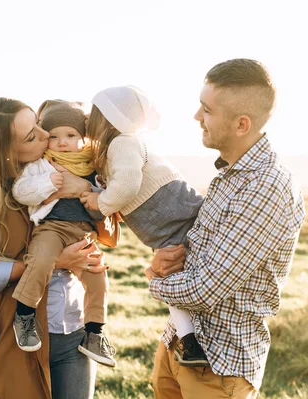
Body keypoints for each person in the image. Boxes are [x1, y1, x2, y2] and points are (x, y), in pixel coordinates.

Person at [144, 59, 306, 398]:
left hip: (220, 367)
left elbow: (205, 290)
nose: (196, 117)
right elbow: (199, 262)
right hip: (179, 347)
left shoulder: (266, 188)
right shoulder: (228, 177)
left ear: (241, 124)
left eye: (206, 110)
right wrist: (168, 261)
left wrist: (156, 282)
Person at [0, 97, 117, 399]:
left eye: (37, 123)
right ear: (6, 151)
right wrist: (54, 262)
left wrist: (85, 189)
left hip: (73, 328)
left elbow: (108, 231)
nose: (46, 135)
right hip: (17, 338)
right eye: (32, 135)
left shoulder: (68, 166)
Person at [79, 85, 207, 367]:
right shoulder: (118, 147)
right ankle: (190, 341)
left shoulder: (123, 142)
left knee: (171, 272)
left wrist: (101, 202)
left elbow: (126, 185)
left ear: (108, 118)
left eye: (93, 113)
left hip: (171, 212)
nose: (87, 119)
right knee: (169, 275)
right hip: (161, 224)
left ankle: (191, 338)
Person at [11, 99, 117, 368]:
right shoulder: (41, 165)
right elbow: (20, 191)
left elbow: (107, 206)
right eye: (54, 136)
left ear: (83, 138)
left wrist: (88, 190)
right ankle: (24, 314)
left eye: (70, 135)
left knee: (97, 275)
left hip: (84, 234)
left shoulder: (94, 167)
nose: (62, 142)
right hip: (52, 227)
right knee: (41, 259)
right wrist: (48, 183)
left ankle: (94, 332)